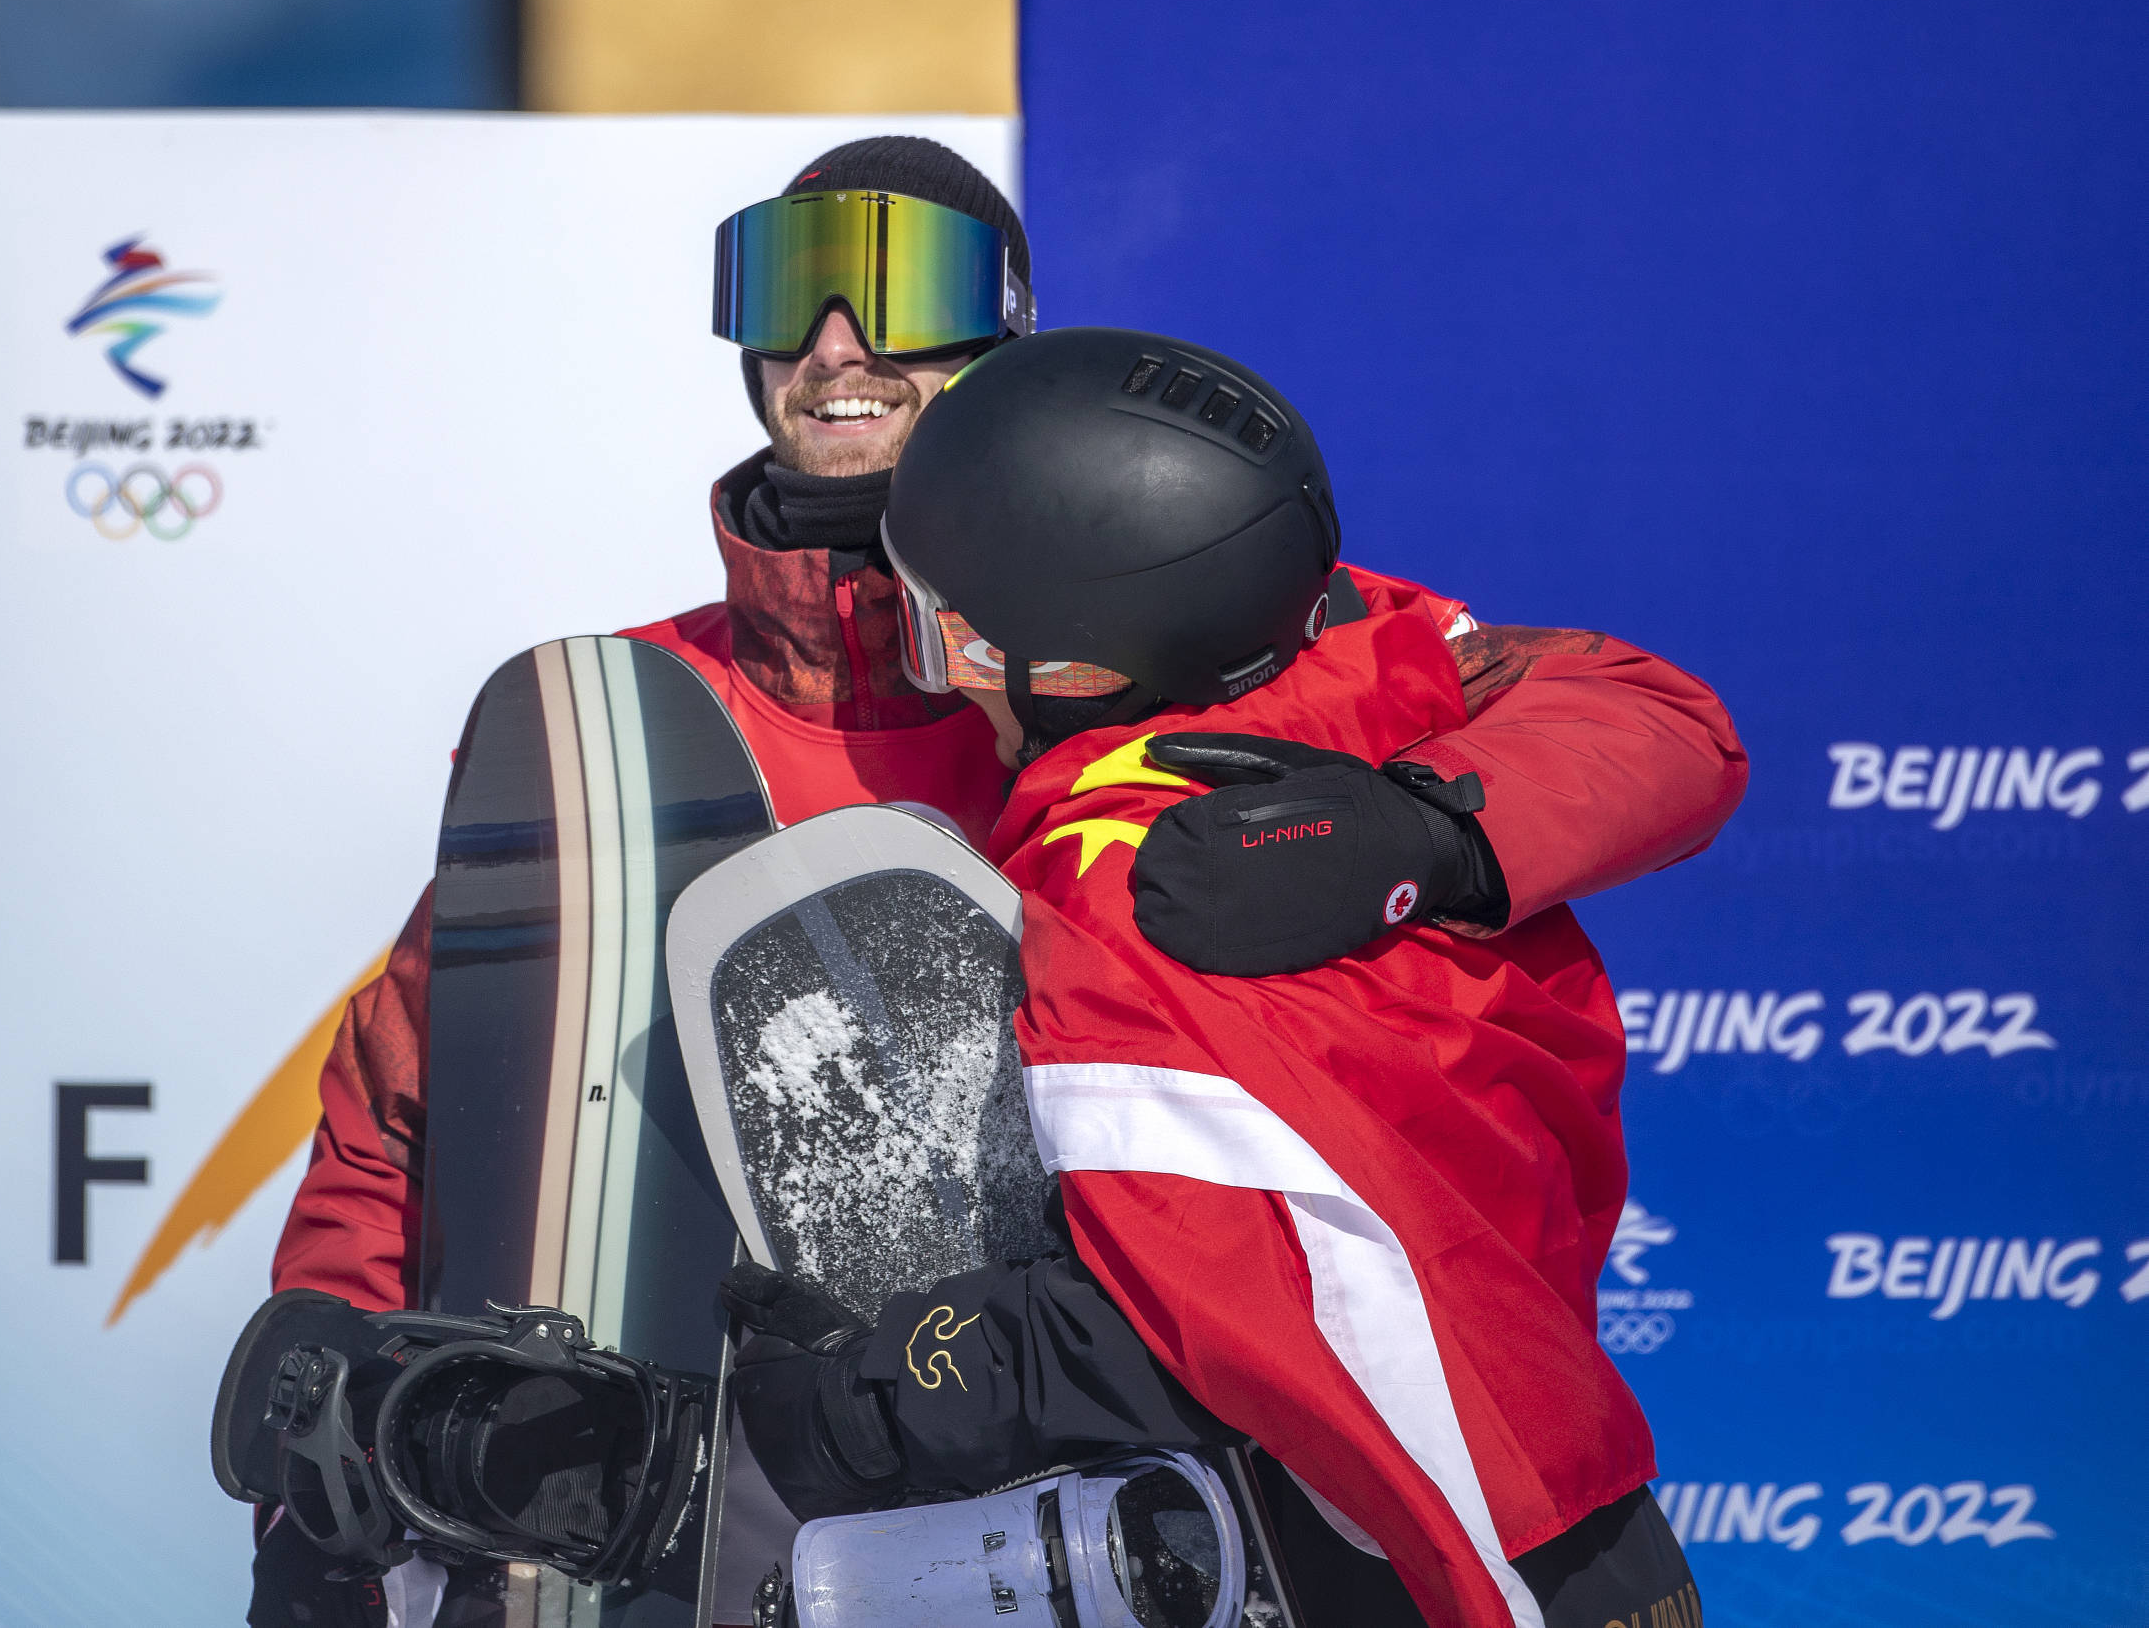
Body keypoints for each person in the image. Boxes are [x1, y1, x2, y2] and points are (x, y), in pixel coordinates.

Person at [258, 139, 1740, 1619]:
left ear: (1007, 329)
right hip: (743, 1505)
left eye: (905, 286)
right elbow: (416, 1114)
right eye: (789, 285)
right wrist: (325, 1455)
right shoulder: (629, 730)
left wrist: (1423, 836)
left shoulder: (1193, 636)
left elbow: (1650, 721)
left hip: (1154, 1517)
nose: (837, 344)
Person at [717, 326, 1712, 1628]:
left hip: (1405, 1554)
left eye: (936, 629)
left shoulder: (1134, 879)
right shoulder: (1371, 668)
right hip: (1582, 1516)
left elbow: (1248, 1302)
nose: (945, 678)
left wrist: (873, 1398)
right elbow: (1653, 705)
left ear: (1073, 665)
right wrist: (1428, 835)